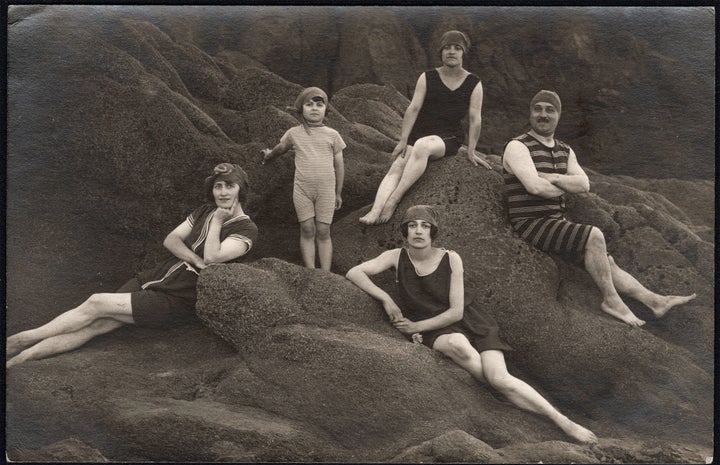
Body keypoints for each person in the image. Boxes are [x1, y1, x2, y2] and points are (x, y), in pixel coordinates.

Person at [346, 205, 598, 444]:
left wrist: (415, 328)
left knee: (499, 378)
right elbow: (354, 272)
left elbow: (456, 312)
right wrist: (387, 298)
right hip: (438, 330)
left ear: (433, 231)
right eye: (412, 225)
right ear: (405, 231)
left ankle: (562, 421)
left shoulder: (451, 258)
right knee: (458, 345)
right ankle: (511, 394)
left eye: (425, 225)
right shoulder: (395, 257)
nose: (419, 231)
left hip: (471, 321)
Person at [6, 163, 259, 368]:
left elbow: (214, 258)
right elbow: (171, 240)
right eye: (218, 186)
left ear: (241, 190)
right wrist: (194, 258)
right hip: (157, 277)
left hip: (180, 297)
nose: (223, 192)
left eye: (229, 186)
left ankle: (20, 340)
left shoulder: (246, 229)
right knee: (96, 323)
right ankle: (18, 360)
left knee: (97, 303)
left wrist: (217, 223)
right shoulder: (204, 210)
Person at [502, 90, 696, 327]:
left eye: (549, 110)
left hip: (555, 223)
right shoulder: (517, 146)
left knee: (606, 262)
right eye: (538, 109)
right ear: (530, 112)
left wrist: (551, 177)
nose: (543, 114)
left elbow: (584, 184)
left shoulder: (565, 150)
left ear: (558, 115)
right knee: (594, 236)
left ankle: (655, 301)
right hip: (530, 223)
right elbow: (534, 187)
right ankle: (611, 300)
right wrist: (565, 184)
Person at [359, 30, 491, 226]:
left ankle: (394, 200)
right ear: (441, 52)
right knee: (398, 165)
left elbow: (475, 118)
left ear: (464, 53)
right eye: (447, 47)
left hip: (448, 136)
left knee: (422, 147)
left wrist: (471, 150)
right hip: (420, 130)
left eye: (457, 48)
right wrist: (403, 140)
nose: (452, 52)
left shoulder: (473, 82)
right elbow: (413, 108)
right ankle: (375, 210)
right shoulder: (427, 77)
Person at [262, 86, 346, 271]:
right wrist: (268, 156)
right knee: (307, 229)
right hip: (302, 190)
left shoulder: (333, 135)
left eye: (319, 104)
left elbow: (339, 165)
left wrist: (338, 192)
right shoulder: (294, 133)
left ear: (326, 109)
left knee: (323, 231)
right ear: (301, 109)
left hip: (326, 190)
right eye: (309, 104)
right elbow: (281, 148)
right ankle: (310, 270)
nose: (314, 108)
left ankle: (325, 273)